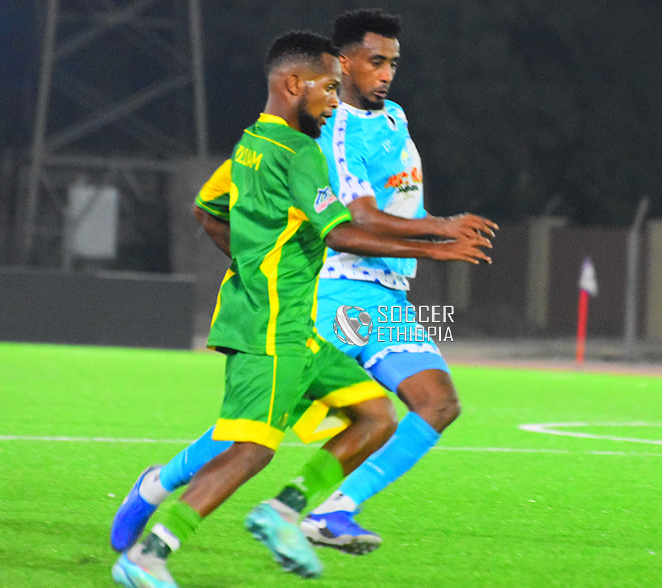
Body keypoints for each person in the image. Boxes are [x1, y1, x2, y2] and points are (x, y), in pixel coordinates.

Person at [110, 8, 497, 563]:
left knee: (436, 403)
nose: (386, 73)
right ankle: (158, 488)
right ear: (342, 63)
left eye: (393, 63)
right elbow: (357, 220)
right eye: (375, 61)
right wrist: (439, 233)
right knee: (256, 428)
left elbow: (394, 203)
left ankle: (326, 510)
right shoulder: (326, 134)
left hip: (387, 296)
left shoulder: (394, 118)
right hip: (336, 292)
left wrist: (432, 232)